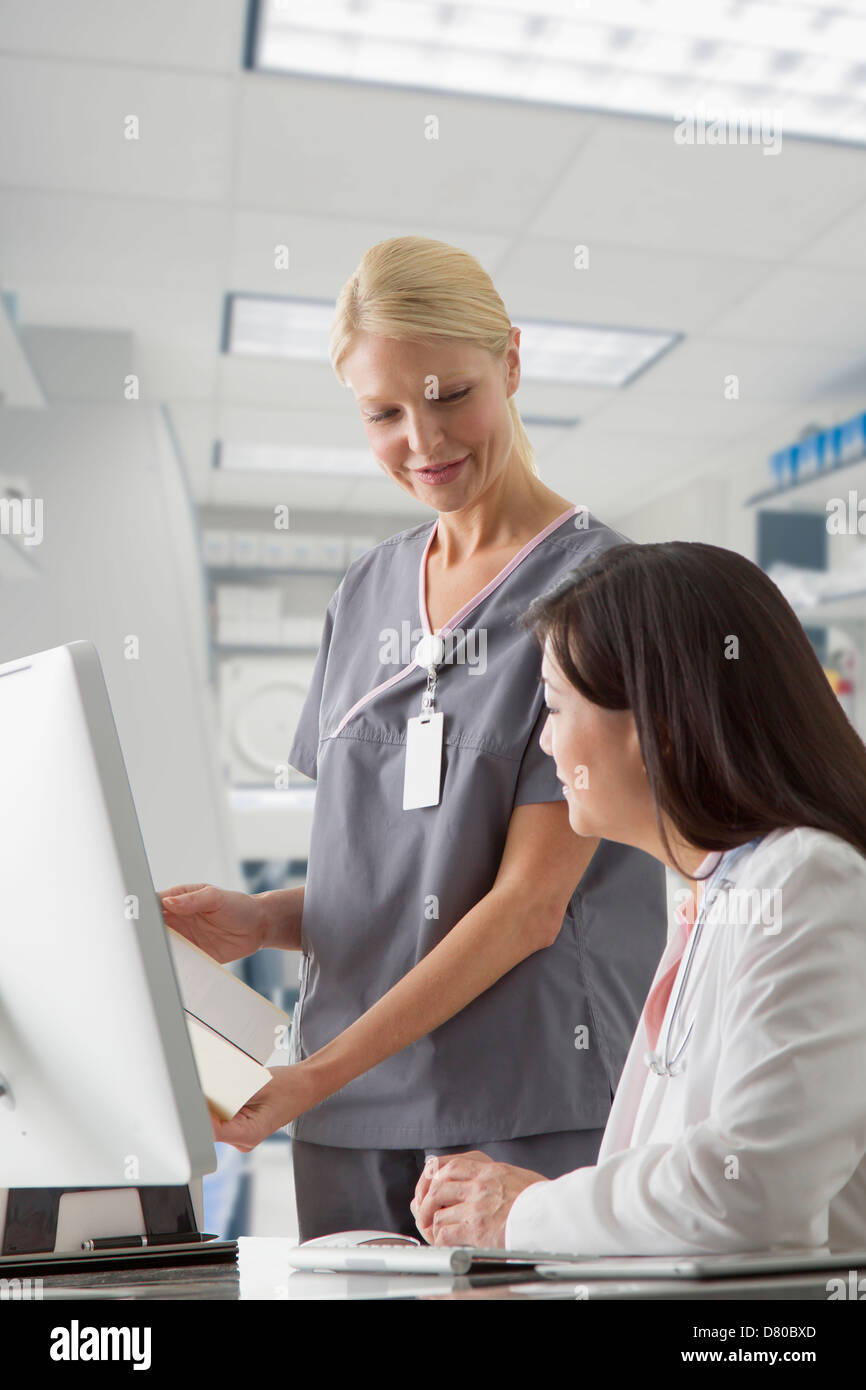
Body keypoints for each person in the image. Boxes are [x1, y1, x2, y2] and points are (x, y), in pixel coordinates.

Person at [160, 236, 666, 1240]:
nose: (421, 438)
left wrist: (314, 1073)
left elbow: (526, 904)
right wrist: (262, 920)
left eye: (449, 394)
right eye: (382, 413)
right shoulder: (363, 595)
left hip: (522, 1107)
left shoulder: (604, 596)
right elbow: (398, 877)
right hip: (346, 1114)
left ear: (511, 364)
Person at [412, 540, 866, 1254]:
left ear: (658, 723)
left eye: (556, 709)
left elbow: (749, 1191)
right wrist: (523, 1204)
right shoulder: (715, 891)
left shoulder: (808, 881)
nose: (547, 743)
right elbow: (674, 1187)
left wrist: (525, 1211)